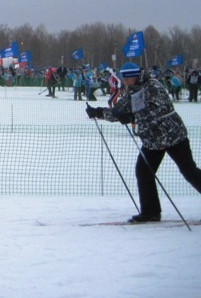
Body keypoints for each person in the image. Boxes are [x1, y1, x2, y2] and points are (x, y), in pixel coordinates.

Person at [86, 62, 201, 223]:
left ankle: (151, 211)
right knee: (143, 171)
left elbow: (157, 111)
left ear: (133, 76)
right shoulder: (132, 89)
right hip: (153, 140)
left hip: (173, 136)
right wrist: (98, 113)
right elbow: (120, 110)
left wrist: (133, 117)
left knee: (189, 171)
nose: (124, 82)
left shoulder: (153, 86)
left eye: (126, 79)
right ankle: (150, 212)